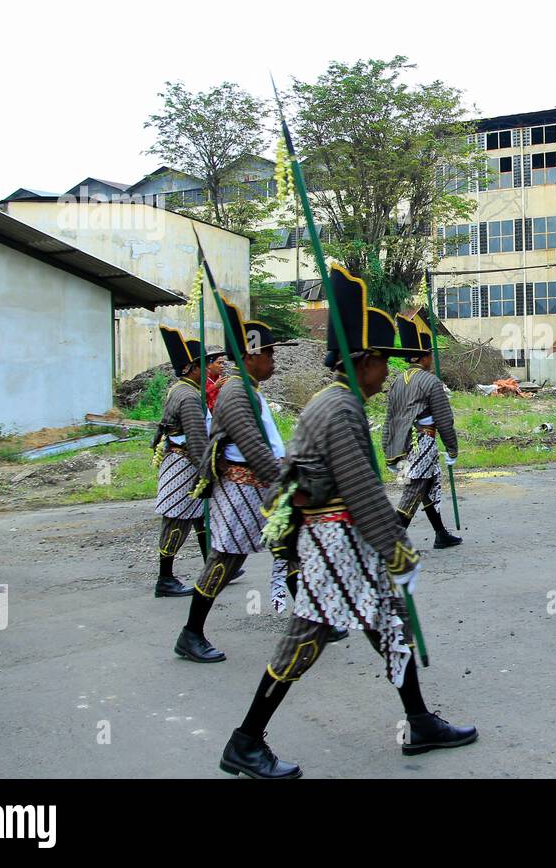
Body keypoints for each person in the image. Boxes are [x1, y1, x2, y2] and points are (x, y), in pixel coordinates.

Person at [219, 265, 476, 778]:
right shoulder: (338, 408)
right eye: (382, 361)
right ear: (362, 360)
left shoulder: (341, 400)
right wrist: (398, 551)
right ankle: (245, 742)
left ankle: (419, 721)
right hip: (334, 541)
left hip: (345, 539)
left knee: (389, 625)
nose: (386, 373)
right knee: (307, 638)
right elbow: (360, 489)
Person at [174, 301, 295, 663]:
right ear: (250, 356)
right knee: (225, 560)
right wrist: (281, 479)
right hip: (245, 487)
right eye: (269, 354)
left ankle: (314, 617)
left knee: (288, 547)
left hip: (257, 485)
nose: (273, 361)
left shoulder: (248, 388)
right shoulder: (237, 391)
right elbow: (252, 446)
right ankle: (190, 633)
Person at [152, 328, 226, 597]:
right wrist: (209, 470)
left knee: (197, 519)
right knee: (177, 522)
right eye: (202, 364)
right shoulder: (189, 396)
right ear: (191, 368)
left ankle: (213, 567)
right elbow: (196, 440)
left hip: (178, 460)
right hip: (184, 465)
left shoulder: (182, 390)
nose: (207, 368)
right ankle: (165, 578)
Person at [382, 308, 463, 548]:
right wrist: (452, 449)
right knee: (413, 490)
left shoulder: (397, 381)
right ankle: (392, 544)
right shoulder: (430, 381)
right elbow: (444, 419)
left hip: (401, 443)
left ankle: (440, 534)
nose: (431, 358)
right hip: (422, 442)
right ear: (422, 356)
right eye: (429, 354)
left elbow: (389, 417)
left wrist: (387, 445)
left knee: (429, 484)